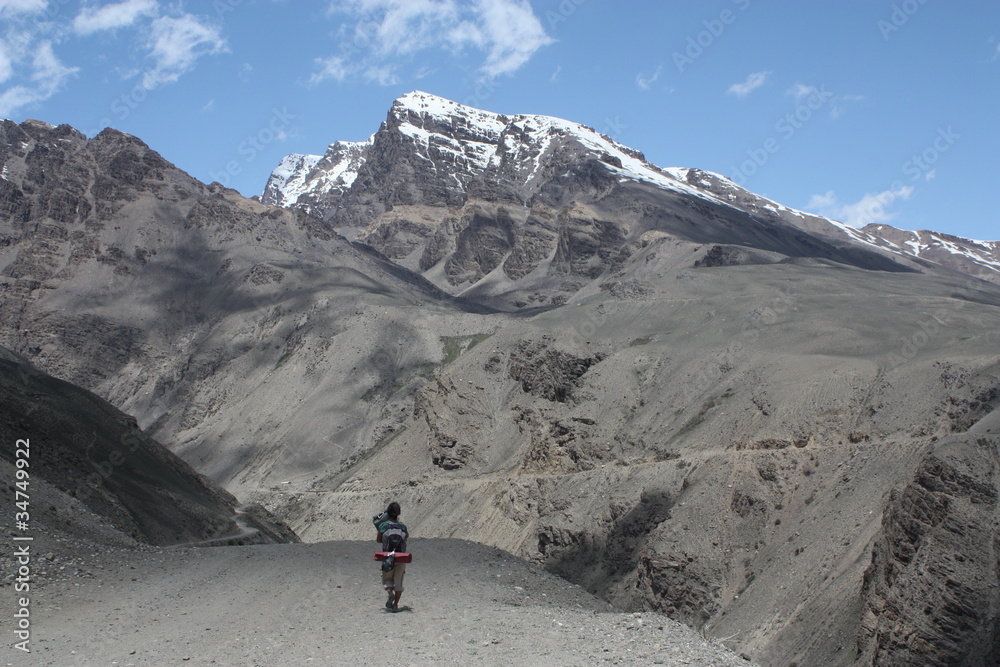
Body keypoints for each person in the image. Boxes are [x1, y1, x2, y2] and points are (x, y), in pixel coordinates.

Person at [375, 502, 409, 612]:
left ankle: (390, 593)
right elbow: (407, 536)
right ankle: (395, 605)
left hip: (388, 557)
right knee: (399, 581)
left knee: (387, 579)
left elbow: (378, 540)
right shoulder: (403, 526)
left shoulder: (383, 526)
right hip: (401, 556)